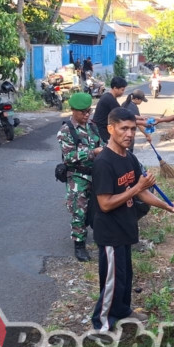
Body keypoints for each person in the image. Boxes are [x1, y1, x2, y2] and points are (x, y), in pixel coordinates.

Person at [90, 107, 174, 332]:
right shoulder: (104, 162)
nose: (129, 134)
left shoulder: (129, 157)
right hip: (110, 232)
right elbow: (105, 203)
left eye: (132, 129)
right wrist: (137, 187)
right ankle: (102, 325)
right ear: (110, 129)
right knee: (111, 281)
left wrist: (167, 206)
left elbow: (141, 192)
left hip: (125, 227)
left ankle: (122, 310)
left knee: (124, 276)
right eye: (123, 129)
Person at [57, 92, 103, 262]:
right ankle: (79, 245)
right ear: (73, 110)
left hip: (94, 174)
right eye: (83, 112)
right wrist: (93, 152)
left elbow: (101, 144)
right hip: (77, 177)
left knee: (98, 208)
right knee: (79, 211)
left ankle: (100, 237)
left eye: (89, 111)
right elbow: (69, 156)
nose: (86, 114)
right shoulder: (66, 131)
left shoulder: (92, 126)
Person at [92, 76, 127, 143]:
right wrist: (141, 122)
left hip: (103, 129)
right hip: (102, 130)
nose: (123, 92)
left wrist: (139, 118)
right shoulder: (109, 99)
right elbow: (123, 115)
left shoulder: (108, 97)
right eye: (122, 90)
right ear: (115, 88)